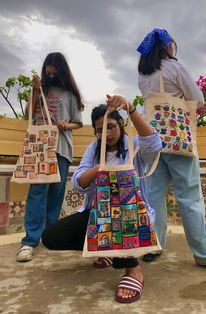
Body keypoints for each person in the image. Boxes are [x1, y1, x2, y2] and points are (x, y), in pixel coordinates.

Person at [41, 95, 162, 303]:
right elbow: (79, 181)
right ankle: (106, 248)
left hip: (132, 217)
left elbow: (154, 143)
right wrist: (100, 168)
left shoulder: (133, 144)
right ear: (95, 131)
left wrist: (131, 108)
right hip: (99, 215)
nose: (106, 133)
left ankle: (133, 270)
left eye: (111, 126)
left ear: (121, 123)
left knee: (121, 216)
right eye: (100, 129)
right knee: (51, 237)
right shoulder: (94, 149)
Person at [137, 28, 206, 269]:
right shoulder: (175, 67)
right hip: (178, 142)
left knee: (154, 197)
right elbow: (198, 99)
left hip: (152, 144)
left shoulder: (143, 74)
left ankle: (154, 246)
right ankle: (205, 255)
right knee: (189, 198)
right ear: (167, 46)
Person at [16, 52, 84, 262]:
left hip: (62, 147)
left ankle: (47, 236)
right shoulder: (40, 89)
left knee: (56, 192)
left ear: (61, 70)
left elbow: (78, 122)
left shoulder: (70, 94)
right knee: (37, 191)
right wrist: (35, 91)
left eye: (54, 70)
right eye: (48, 69)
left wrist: (66, 125)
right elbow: (29, 114)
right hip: (39, 148)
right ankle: (29, 241)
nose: (50, 73)